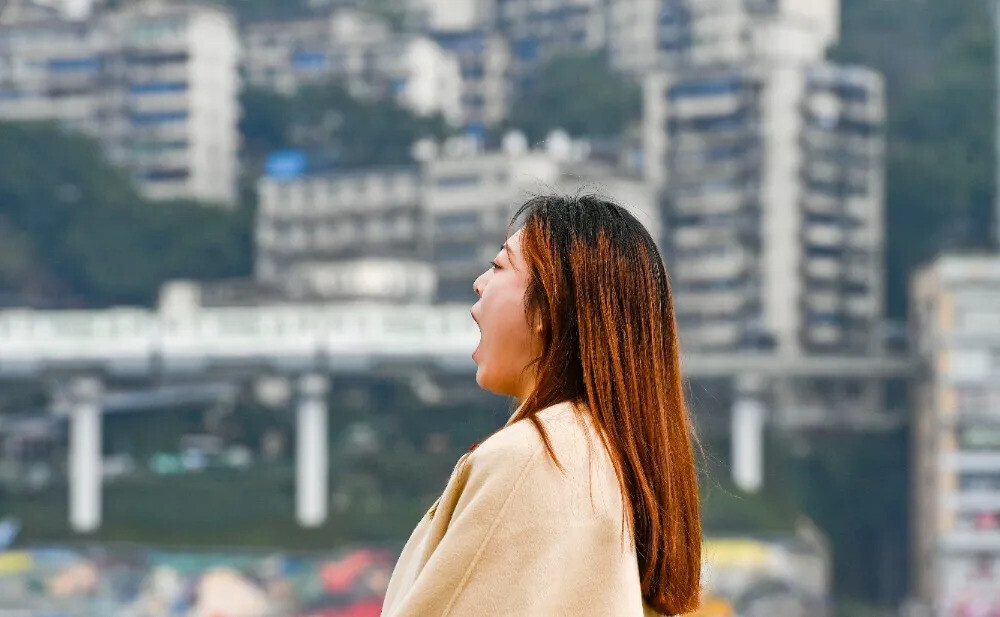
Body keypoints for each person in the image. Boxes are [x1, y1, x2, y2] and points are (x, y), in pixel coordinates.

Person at [380, 194, 702, 617]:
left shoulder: (533, 456)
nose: (479, 283)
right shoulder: (609, 459)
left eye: (499, 267)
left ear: (545, 306)